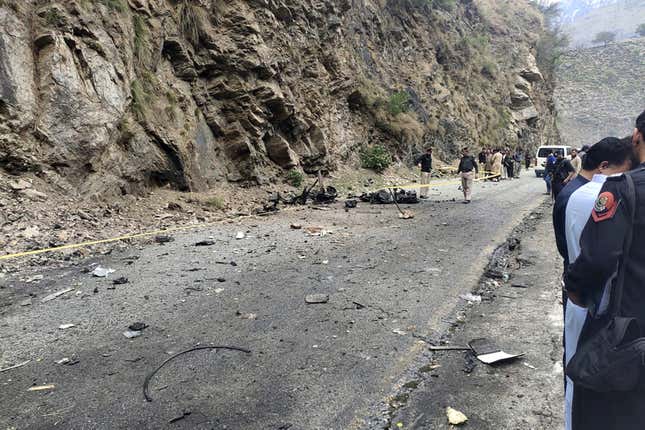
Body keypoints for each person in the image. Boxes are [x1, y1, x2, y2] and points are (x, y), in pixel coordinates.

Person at [565, 110, 645, 430]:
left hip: (628, 336)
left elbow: (597, 260)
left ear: (636, 136)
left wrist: (576, 292)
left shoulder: (624, 188)